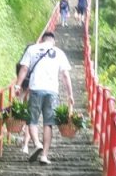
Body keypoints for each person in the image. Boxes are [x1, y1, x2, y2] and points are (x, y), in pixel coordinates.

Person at [14, 31, 74, 165]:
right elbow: (65, 75)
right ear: (53, 41)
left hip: (35, 88)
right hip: (52, 91)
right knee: (48, 123)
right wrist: (70, 95)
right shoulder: (59, 52)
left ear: (42, 40)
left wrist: (18, 86)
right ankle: (44, 156)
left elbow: (24, 69)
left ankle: (36, 143)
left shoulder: (32, 49)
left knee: (32, 120)